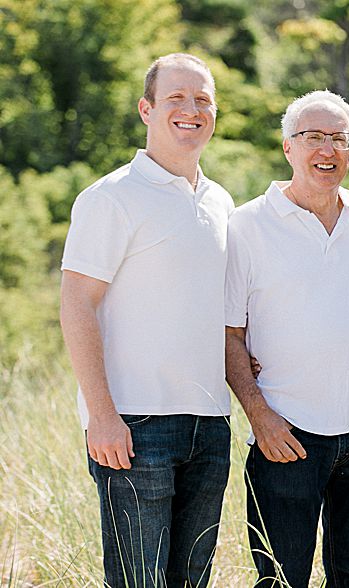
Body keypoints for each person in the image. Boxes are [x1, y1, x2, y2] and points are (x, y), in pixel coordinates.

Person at [60, 53, 233, 588]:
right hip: (134, 427)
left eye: (202, 100)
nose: (191, 110)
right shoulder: (111, 198)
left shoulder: (221, 201)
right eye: (176, 99)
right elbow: (76, 304)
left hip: (209, 425)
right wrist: (102, 416)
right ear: (147, 109)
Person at [224, 90, 349, 587]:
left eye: (340, 139)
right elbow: (229, 333)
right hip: (286, 432)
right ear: (287, 147)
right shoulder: (246, 225)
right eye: (313, 137)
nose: (327, 150)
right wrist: (259, 416)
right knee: (280, 580)